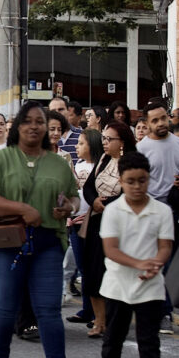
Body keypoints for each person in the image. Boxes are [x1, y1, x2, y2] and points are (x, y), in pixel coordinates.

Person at [0, 101, 79, 358]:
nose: (34, 126)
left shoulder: (58, 163)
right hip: (8, 241)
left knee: (48, 310)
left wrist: (67, 207)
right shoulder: (0, 160)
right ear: (18, 126)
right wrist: (22, 208)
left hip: (47, 242)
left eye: (40, 121)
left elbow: (74, 198)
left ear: (46, 128)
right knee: (6, 306)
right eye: (28, 121)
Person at [85, 152, 174, 358]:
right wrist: (141, 265)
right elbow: (110, 250)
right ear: (121, 181)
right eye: (131, 181)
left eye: (142, 180)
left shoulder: (162, 211)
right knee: (113, 338)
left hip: (151, 287)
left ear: (149, 179)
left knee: (149, 341)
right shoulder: (112, 210)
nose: (137, 186)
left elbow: (165, 246)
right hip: (118, 286)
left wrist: (155, 265)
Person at [83, 121, 136, 338]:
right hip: (96, 221)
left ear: (121, 142)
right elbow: (88, 186)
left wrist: (108, 204)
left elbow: (130, 193)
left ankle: (113, 321)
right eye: (103, 138)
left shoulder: (130, 163)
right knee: (93, 271)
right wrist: (94, 201)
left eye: (109, 139)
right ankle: (99, 320)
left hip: (119, 224)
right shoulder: (103, 160)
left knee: (112, 273)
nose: (104, 143)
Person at [136, 100, 179, 334]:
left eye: (164, 118)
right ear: (147, 123)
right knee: (156, 262)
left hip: (175, 211)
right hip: (151, 211)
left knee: (167, 263)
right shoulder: (142, 149)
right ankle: (158, 310)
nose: (161, 123)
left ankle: (163, 310)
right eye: (155, 120)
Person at [65, 129, 103, 327]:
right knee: (82, 268)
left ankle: (98, 312)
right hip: (75, 223)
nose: (76, 147)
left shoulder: (99, 167)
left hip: (90, 224)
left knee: (92, 269)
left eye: (81, 143)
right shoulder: (78, 165)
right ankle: (87, 309)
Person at [50, 97, 80, 163]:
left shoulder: (82, 136)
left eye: (61, 109)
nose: (57, 113)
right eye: (53, 111)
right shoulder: (45, 139)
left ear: (68, 111)